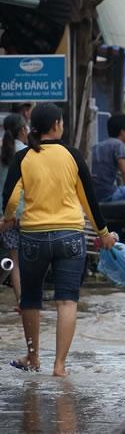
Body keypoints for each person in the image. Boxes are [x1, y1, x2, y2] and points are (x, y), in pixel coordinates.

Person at [2, 103, 116, 376]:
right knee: (67, 301)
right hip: (70, 236)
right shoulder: (72, 156)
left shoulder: (24, 158)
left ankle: (33, 357)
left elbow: (12, 198)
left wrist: (7, 219)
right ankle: (60, 366)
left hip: (32, 237)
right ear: (56, 125)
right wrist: (103, 234)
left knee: (30, 299)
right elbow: (89, 200)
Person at [0, 113, 28, 310]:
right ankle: (34, 301)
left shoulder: (2, 153)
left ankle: (21, 301)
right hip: (29, 215)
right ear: (23, 130)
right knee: (33, 260)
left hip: (6, 216)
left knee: (15, 261)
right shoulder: (29, 153)